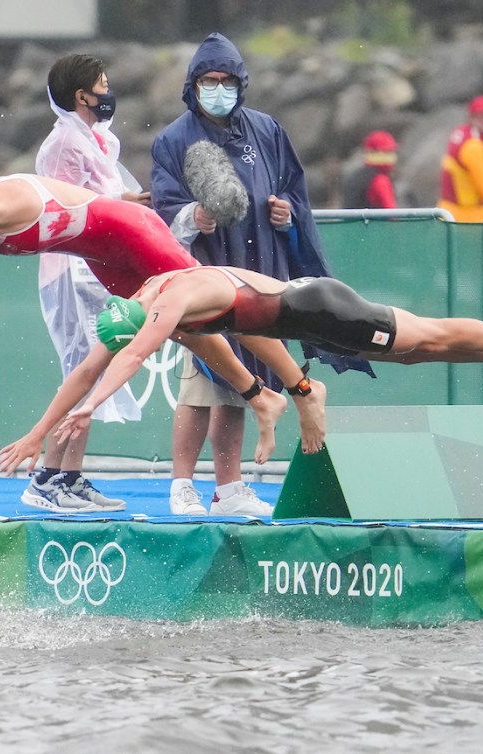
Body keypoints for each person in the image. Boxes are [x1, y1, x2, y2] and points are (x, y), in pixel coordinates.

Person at [0, 174, 330, 503]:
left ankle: (302, 392)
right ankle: (260, 396)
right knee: (189, 331)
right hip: (100, 254)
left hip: (128, 231)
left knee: (225, 305)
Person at [0, 267, 483, 486]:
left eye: (159, 333)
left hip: (325, 309)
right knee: (416, 353)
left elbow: (130, 358)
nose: (167, 338)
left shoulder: (168, 301)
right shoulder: (144, 301)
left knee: (426, 338)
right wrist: (38, 431)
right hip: (305, 318)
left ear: (146, 317)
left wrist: (95, 408)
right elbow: (92, 365)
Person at [150, 32, 370, 517]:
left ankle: (228, 489)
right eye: (209, 80)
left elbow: (293, 188)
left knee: (239, 385)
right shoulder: (174, 140)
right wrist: (193, 218)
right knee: (200, 384)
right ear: (194, 84)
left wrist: (285, 215)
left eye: (227, 80)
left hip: (262, 275)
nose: (218, 88)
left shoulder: (267, 130)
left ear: (240, 83)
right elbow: (163, 206)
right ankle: (182, 485)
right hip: (207, 279)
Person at [23, 53, 152, 513]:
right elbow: (64, 209)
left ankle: (68, 476)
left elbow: (100, 199)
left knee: (91, 373)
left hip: (94, 266)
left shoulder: (96, 141)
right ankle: (48, 478)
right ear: (82, 96)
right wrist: (120, 204)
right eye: (102, 83)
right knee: (81, 373)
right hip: (70, 270)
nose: (107, 90)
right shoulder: (63, 145)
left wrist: (126, 202)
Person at [437, 95, 483, 222]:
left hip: (448, 212)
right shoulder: (473, 146)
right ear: (472, 117)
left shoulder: (461, 133)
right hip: (466, 217)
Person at [342, 130, 399, 209]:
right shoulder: (380, 180)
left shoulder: (354, 176)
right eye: (388, 152)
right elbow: (391, 213)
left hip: (351, 220)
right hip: (372, 221)